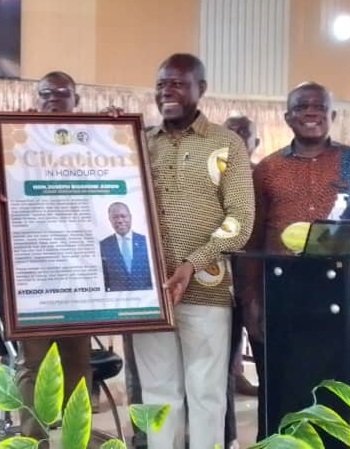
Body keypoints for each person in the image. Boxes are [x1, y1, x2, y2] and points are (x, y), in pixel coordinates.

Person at [239, 82, 350, 441]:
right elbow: (252, 239)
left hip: (344, 292)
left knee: (341, 389)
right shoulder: (267, 170)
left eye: (319, 106)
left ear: (332, 116)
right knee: (282, 388)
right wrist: (251, 301)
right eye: (301, 106)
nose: (311, 112)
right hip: (283, 291)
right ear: (287, 116)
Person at [133, 53, 254, 449]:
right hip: (148, 293)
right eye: (162, 84)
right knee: (157, 394)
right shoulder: (138, 143)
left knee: (206, 396)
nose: (167, 91)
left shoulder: (226, 143)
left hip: (206, 289)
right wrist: (110, 133)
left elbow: (241, 220)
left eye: (179, 83)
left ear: (201, 89)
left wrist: (193, 263)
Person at [15, 70, 94, 439]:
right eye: (46, 94)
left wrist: (114, 129)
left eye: (63, 94)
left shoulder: (94, 145)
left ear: (76, 101)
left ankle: (75, 442)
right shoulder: (16, 143)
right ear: (36, 99)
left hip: (80, 280)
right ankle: (33, 442)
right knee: (34, 367)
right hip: (34, 279)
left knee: (78, 366)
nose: (53, 100)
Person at [222, 113, 260, 448]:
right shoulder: (211, 175)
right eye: (228, 133)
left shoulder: (263, 177)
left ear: (254, 143)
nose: (235, 139)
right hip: (219, 283)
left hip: (260, 284)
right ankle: (228, 437)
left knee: (266, 357)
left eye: (242, 134)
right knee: (220, 363)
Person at [99, 202, 154, 292]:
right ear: (110, 220)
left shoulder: (145, 241)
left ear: (130, 217)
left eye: (123, 216)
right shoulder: (103, 245)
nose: (120, 220)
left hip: (145, 298)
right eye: (115, 217)